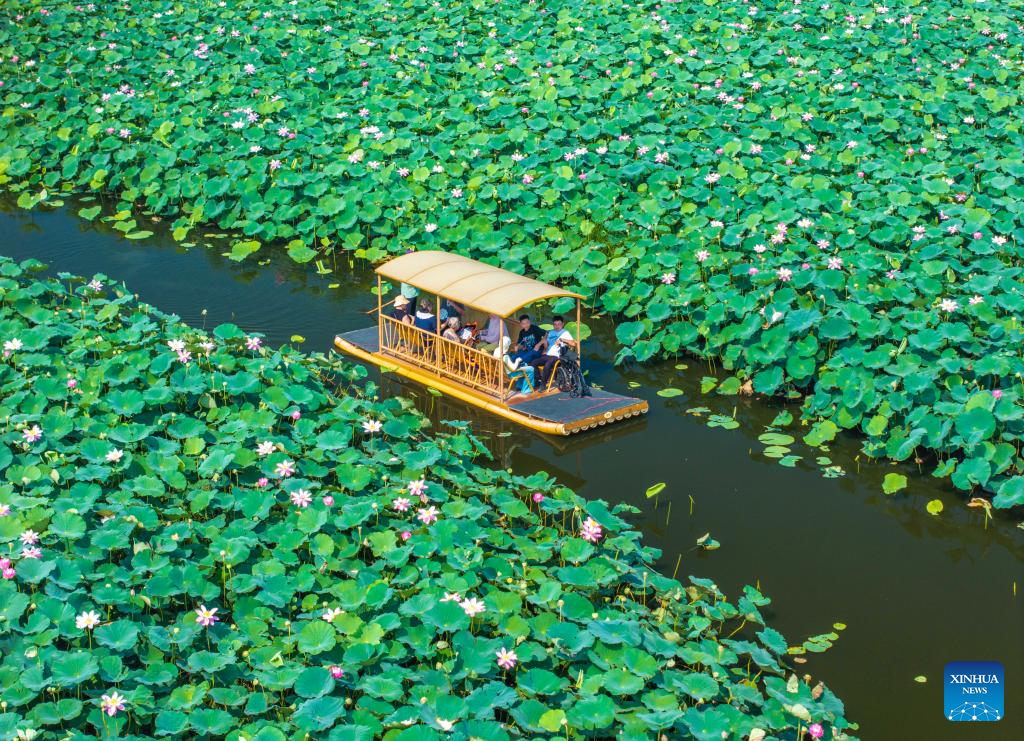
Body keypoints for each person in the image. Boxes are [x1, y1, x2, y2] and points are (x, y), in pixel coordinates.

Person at [531, 316, 576, 388]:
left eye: (559, 324)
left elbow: (573, 344)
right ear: (553, 325)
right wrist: (544, 345)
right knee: (533, 362)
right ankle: (539, 380)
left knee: (548, 364)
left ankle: (543, 385)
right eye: (555, 324)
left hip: (557, 356)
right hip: (547, 355)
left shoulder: (565, 332)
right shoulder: (550, 332)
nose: (557, 326)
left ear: (563, 324)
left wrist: (563, 340)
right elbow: (546, 343)